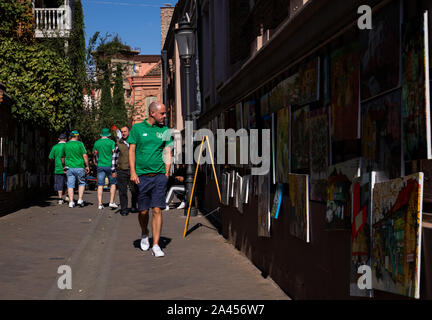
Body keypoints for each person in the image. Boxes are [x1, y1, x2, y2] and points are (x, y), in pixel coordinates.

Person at [128, 101, 173, 258]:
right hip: (141, 176)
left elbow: (168, 150)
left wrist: (166, 173)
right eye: (163, 113)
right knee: (143, 211)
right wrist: (133, 172)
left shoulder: (165, 130)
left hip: (159, 176)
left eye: (165, 113)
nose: (165, 116)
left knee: (157, 209)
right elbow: (132, 150)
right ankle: (144, 232)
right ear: (152, 113)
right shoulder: (137, 129)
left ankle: (156, 245)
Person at [111, 125, 139, 216]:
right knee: (122, 191)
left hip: (133, 170)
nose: (123, 133)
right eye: (122, 132)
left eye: (125, 131)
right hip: (121, 170)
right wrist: (113, 170)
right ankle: (124, 209)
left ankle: (134, 206)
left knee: (134, 190)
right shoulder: (119, 143)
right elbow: (114, 157)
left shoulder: (134, 142)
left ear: (129, 132)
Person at [61, 130, 90, 208]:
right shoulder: (80, 144)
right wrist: (87, 165)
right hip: (80, 166)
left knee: (70, 184)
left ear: (70, 136)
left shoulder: (66, 145)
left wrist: (63, 165)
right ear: (77, 136)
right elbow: (84, 155)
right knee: (81, 183)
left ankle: (71, 202)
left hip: (69, 167)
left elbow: (62, 157)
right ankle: (80, 199)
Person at [93, 128, 118, 210]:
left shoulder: (97, 143)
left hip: (100, 165)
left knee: (100, 184)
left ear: (101, 135)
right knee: (113, 183)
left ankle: (100, 204)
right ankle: (111, 202)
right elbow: (114, 152)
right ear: (108, 135)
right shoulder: (111, 142)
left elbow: (94, 153)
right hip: (110, 165)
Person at [48, 133, 68, 204]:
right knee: (69, 183)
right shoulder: (67, 146)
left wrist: (53, 163)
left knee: (59, 183)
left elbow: (50, 157)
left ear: (59, 139)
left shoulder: (55, 147)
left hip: (58, 168)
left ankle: (60, 199)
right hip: (68, 168)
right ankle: (67, 196)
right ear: (66, 139)